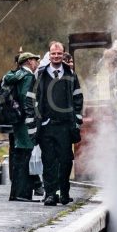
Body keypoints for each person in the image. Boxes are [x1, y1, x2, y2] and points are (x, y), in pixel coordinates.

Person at [29, 41, 83, 206]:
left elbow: (78, 98)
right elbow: (31, 98)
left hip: (65, 126)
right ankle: (51, 194)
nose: (56, 56)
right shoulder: (40, 74)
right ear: (49, 55)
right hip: (47, 126)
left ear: (63, 54)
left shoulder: (71, 74)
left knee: (66, 160)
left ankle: (64, 192)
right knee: (49, 160)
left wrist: (77, 119)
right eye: (53, 53)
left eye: (59, 53)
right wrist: (36, 121)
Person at [3, 52, 41, 201]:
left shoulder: (16, 75)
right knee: (25, 156)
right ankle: (22, 194)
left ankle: (16, 193)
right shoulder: (28, 76)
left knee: (19, 156)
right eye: (35, 60)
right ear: (29, 61)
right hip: (25, 120)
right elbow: (27, 98)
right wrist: (33, 117)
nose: (37, 63)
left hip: (17, 120)